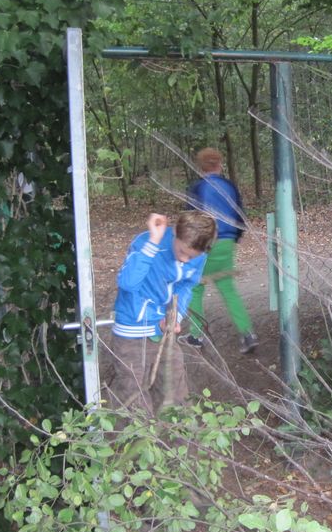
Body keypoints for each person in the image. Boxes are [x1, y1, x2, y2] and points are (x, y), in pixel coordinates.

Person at [104, 211, 217, 415]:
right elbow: (128, 283)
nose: (185, 259)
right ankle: (138, 435)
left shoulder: (199, 254)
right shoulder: (145, 244)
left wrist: (175, 316)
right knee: (134, 401)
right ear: (175, 233)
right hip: (132, 333)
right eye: (182, 251)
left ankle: (177, 436)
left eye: (191, 257)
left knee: (176, 397)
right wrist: (153, 243)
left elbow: (186, 285)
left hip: (163, 332)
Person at [183, 147, 258, 354]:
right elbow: (239, 214)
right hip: (227, 242)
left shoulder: (198, 187)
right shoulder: (229, 186)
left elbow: (191, 219)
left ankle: (196, 335)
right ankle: (247, 334)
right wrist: (236, 237)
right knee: (227, 287)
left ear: (201, 166)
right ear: (220, 165)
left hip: (206, 242)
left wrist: (189, 246)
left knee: (195, 287)